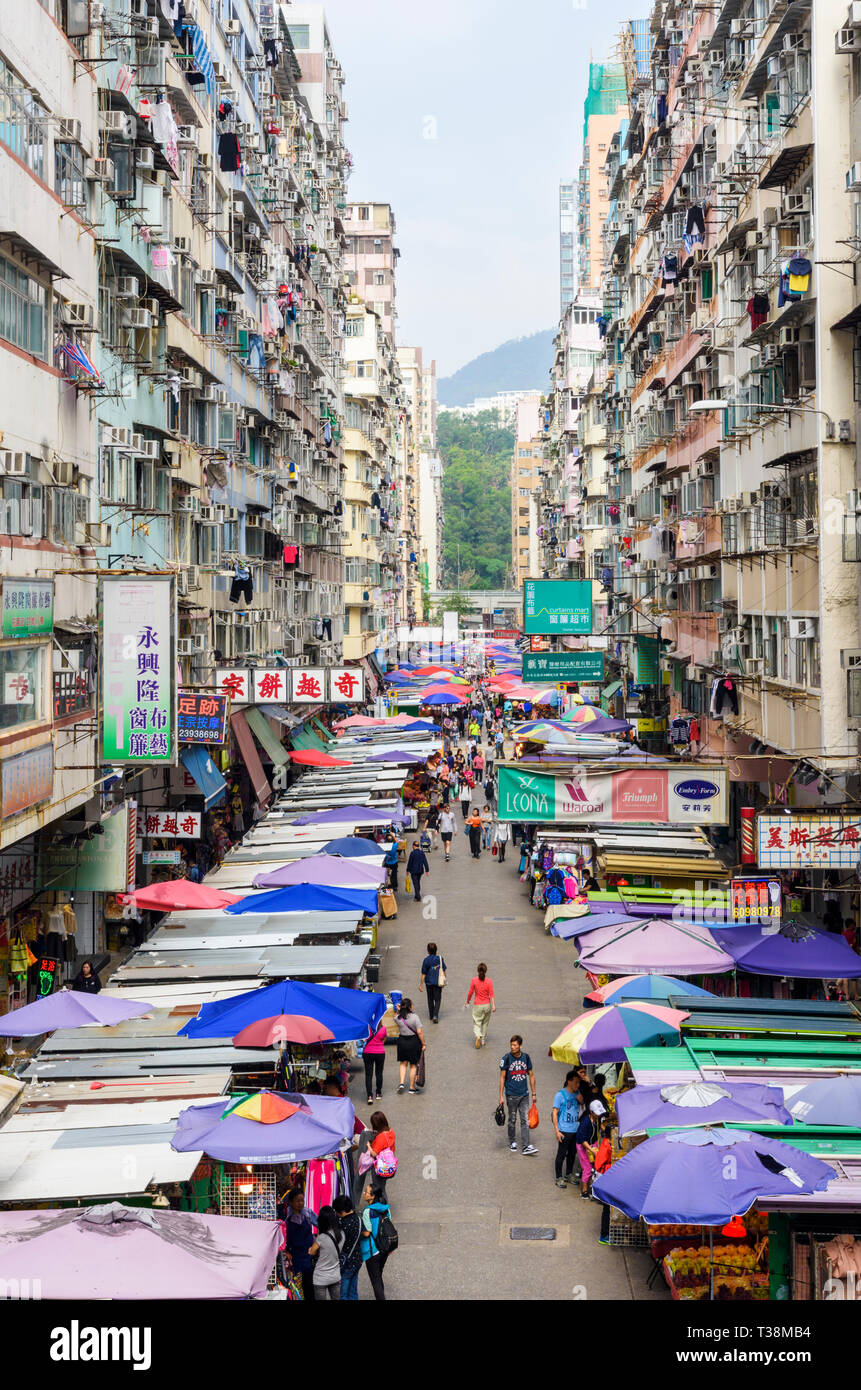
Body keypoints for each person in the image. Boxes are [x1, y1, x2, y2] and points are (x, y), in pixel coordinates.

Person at [499, 1035, 538, 1155]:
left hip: (524, 1095)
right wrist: (500, 1096)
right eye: (511, 1045)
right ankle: (512, 1141)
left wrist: (534, 1093)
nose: (512, 1047)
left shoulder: (526, 1057)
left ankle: (526, 1146)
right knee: (512, 1120)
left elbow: (531, 1075)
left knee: (525, 1120)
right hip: (511, 1095)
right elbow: (502, 1077)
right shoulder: (506, 1058)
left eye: (515, 1045)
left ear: (520, 1046)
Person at [282, 1187, 318, 1301]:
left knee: (310, 1285)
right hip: (296, 1257)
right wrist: (286, 1252)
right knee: (299, 1286)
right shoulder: (287, 1219)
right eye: (297, 1200)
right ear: (291, 1202)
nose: (300, 1203)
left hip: (309, 1255)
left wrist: (317, 1243)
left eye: (302, 1200)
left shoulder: (308, 1213)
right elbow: (284, 1239)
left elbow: (320, 1224)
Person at [361, 1188, 393, 1301]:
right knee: (378, 1276)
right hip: (384, 1249)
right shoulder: (386, 1209)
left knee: (375, 1280)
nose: (364, 1193)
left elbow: (366, 1232)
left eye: (366, 1192)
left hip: (373, 1251)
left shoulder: (367, 1211)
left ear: (372, 1196)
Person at [552, 1070, 583, 1188]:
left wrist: (581, 1099)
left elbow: (582, 1105)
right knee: (561, 1154)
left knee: (572, 1154)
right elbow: (555, 1113)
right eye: (576, 1082)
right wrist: (557, 1131)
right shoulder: (560, 1095)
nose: (577, 1085)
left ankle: (568, 1174)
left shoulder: (577, 1093)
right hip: (564, 1130)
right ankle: (559, 1177)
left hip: (575, 1129)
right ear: (569, 1081)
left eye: (578, 1083)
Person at [586, 1120, 615, 1244]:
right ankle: (604, 1236)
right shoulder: (608, 1146)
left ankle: (606, 1234)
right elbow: (605, 1163)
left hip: (604, 1178)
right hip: (606, 1179)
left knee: (607, 1208)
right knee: (607, 1208)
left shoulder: (605, 1143)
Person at [333, 1194, 363, 1300]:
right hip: (358, 1259)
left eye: (337, 1212)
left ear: (342, 1211)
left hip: (346, 1262)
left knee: (343, 1294)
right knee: (353, 1291)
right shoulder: (359, 1219)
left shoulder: (342, 1224)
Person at [312, 1205, 343, 1300]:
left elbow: (312, 1252)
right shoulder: (341, 1234)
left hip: (320, 1278)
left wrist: (319, 1232)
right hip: (335, 1276)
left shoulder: (321, 1238)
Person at [395, 997, 426, 1094]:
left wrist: (398, 1010)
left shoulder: (398, 1018)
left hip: (402, 1041)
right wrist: (423, 1043)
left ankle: (401, 1083)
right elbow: (419, 1032)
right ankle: (412, 1087)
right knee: (413, 1065)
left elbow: (395, 1016)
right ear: (410, 1007)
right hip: (413, 1042)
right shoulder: (415, 1017)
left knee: (403, 1063)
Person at [366, 1110, 396, 1197]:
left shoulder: (381, 1137)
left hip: (380, 1167)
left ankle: (383, 1208)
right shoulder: (391, 1131)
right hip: (389, 1165)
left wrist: (369, 1145)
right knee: (382, 1187)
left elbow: (374, 1154)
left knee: (379, 1189)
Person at [465, 962, 496, 1047]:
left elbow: (470, 992)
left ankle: (478, 1036)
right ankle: (483, 1040)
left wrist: (467, 1001)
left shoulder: (474, 980)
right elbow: (492, 994)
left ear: (478, 970)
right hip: (487, 1005)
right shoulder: (489, 981)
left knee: (477, 1022)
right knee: (485, 1023)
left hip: (477, 1005)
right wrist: (493, 1005)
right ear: (486, 971)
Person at [419, 940, 447, 1023]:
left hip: (428, 983)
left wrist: (421, 984)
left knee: (430, 999)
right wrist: (444, 979)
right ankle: (435, 1015)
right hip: (438, 982)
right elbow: (444, 970)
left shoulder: (426, 960)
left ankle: (431, 1015)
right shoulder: (440, 959)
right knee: (437, 999)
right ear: (436, 950)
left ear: (428, 951)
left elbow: (423, 973)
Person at [363, 1018, 387, 1104]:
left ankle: (369, 1096)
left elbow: (363, 1039)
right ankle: (378, 1093)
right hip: (380, 1053)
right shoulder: (383, 1028)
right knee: (379, 1073)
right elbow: (384, 1038)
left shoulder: (367, 1028)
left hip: (367, 1052)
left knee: (368, 1075)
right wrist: (379, 1044)